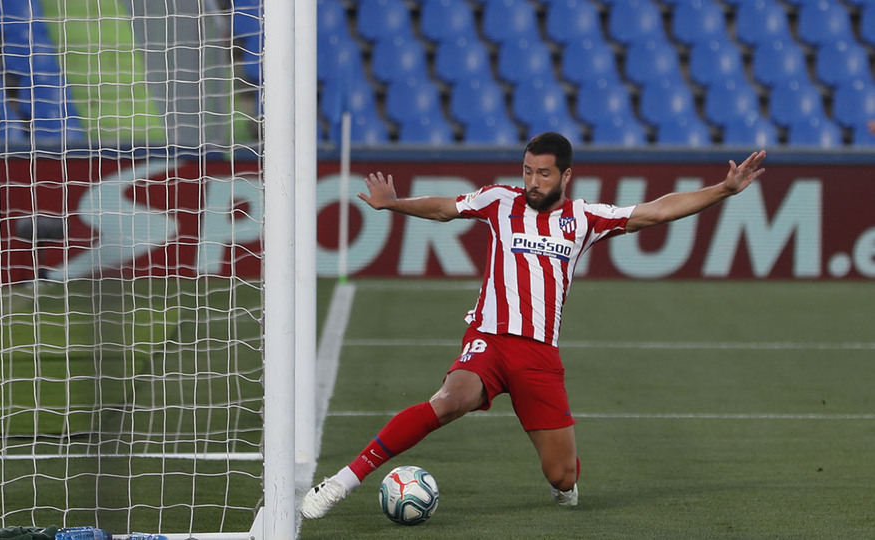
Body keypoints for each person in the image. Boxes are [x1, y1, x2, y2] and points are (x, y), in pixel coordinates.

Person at [301, 132, 767, 518]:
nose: (532, 181)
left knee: (562, 476)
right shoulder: (499, 201)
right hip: (487, 338)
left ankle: (564, 483)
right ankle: (343, 482)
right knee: (448, 401)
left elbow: (657, 210)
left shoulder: (585, 218)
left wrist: (723, 190)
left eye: (543, 173)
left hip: (539, 356)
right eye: (527, 170)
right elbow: (446, 208)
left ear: (565, 175)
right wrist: (395, 203)